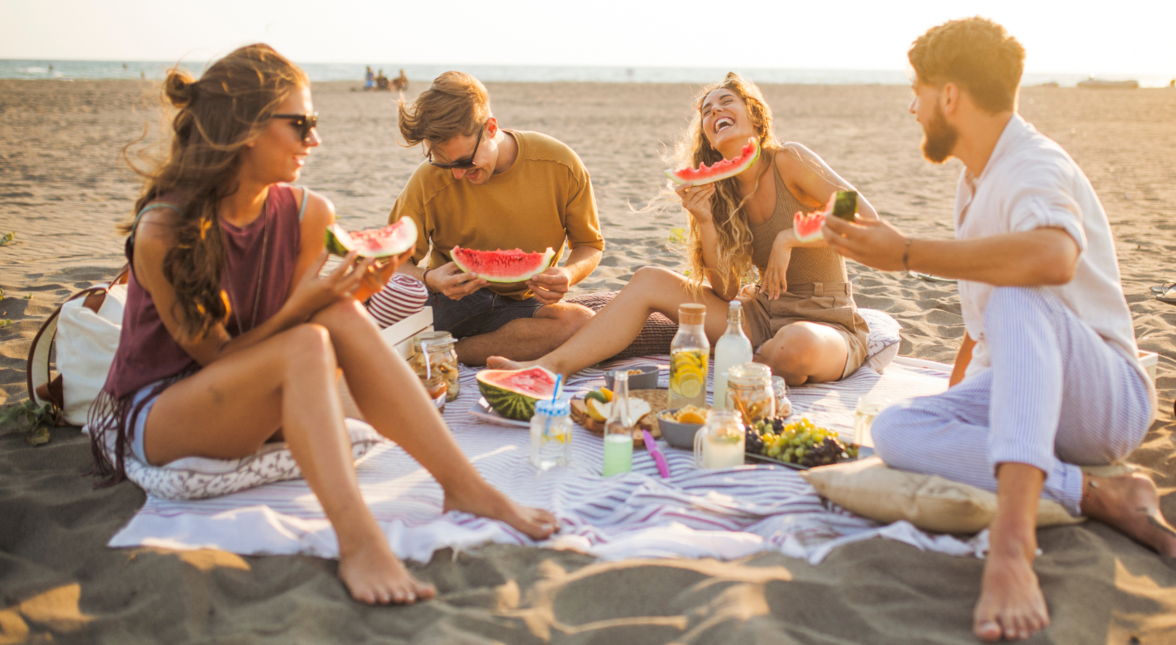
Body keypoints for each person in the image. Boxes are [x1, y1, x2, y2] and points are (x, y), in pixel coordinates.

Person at [88, 45, 557, 606]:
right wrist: (303, 311)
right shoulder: (164, 230)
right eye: (301, 124)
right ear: (245, 129)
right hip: (163, 410)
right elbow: (217, 357)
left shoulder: (310, 215)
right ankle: (358, 540)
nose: (315, 140)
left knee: (333, 316)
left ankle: (465, 487)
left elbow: (297, 329)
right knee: (311, 336)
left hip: (255, 394)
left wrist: (352, 295)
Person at [821, 18, 1176, 641]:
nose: (912, 107)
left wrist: (905, 252)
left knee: (1020, 297)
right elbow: (982, 330)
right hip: (1031, 391)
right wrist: (952, 403)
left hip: (1106, 401)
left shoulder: (1033, 164)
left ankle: (1012, 552)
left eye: (918, 89)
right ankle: (1104, 497)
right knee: (898, 427)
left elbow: (1052, 259)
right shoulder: (976, 180)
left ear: (950, 96)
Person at [488, 72, 872, 385]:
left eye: (726, 102)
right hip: (759, 316)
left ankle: (754, 361)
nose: (714, 111)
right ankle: (550, 368)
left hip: (826, 318)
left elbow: (860, 211)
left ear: (755, 115)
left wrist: (790, 238)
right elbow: (726, 290)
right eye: (706, 110)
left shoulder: (789, 158)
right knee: (649, 278)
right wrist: (705, 219)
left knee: (796, 346)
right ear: (707, 133)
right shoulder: (718, 190)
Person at [388, 71, 602, 365]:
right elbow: (392, 262)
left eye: (465, 161)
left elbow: (589, 245)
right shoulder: (428, 179)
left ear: (490, 128)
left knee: (581, 323)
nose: (458, 174)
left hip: (521, 305)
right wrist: (430, 278)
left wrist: (568, 274)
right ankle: (439, 348)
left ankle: (446, 354)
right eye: (444, 163)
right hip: (447, 300)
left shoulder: (559, 164)